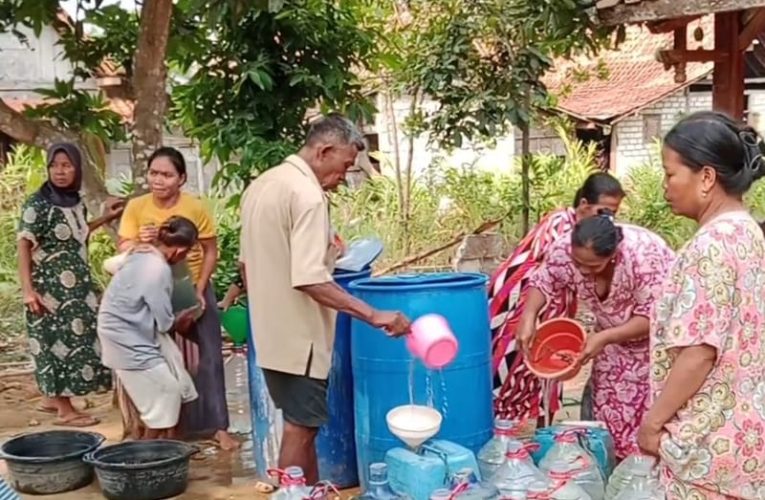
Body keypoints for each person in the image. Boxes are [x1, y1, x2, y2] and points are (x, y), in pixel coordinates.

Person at [240, 113, 411, 484]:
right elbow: (308, 278)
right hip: (300, 338)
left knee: (301, 426)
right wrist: (373, 314)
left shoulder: (264, 184)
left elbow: (248, 265)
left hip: (271, 333)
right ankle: (294, 493)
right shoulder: (307, 195)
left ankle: (311, 492)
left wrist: (328, 252)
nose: (344, 177)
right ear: (325, 150)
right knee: (300, 431)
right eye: (346, 165)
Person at [637, 111, 765, 498]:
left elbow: (698, 353)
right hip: (744, 441)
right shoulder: (749, 233)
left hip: (704, 448)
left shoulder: (709, 247)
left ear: (706, 177)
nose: (665, 186)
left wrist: (653, 424)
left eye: (670, 173)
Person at [517, 212, 674, 459]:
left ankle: (646, 477)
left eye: (592, 266)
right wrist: (528, 317)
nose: (581, 271)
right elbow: (544, 280)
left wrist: (603, 338)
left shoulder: (644, 257)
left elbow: (651, 317)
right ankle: (612, 469)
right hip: (612, 342)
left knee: (651, 418)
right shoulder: (564, 251)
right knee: (608, 415)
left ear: (613, 256)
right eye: (577, 263)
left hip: (656, 347)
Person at [118, 147, 237, 450]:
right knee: (156, 358)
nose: (158, 180)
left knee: (210, 356)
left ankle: (219, 427)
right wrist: (138, 242)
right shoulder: (136, 207)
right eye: (154, 173)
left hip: (191, 287)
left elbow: (210, 250)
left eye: (167, 174)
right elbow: (122, 248)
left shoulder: (195, 207)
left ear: (182, 178)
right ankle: (162, 430)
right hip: (151, 290)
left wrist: (200, 287)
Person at [489, 173, 625, 424]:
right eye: (602, 212)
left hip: (551, 309)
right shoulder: (561, 228)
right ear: (584, 205)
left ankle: (540, 434)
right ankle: (501, 429)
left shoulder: (586, 234)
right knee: (508, 367)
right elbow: (544, 275)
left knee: (545, 368)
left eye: (612, 214)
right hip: (520, 305)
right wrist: (529, 316)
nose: (608, 220)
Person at [17, 143, 123, 427]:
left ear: (77, 168)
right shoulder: (36, 204)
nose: (60, 171)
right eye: (55, 165)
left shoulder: (74, 201)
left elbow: (79, 235)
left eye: (66, 165)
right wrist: (28, 290)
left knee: (80, 341)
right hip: (49, 290)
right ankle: (66, 411)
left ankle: (52, 399)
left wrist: (106, 217)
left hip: (77, 290)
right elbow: (24, 246)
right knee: (55, 345)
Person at [98, 216, 200, 439]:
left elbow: (110, 264)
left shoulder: (141, 253)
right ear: (180, 251)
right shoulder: (158, 270)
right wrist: (182, 318)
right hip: (125, 338)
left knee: (166, 395)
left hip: (121, 332)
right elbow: (164, 322)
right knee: (166, 396)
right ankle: (146, 454)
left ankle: (158, 448)